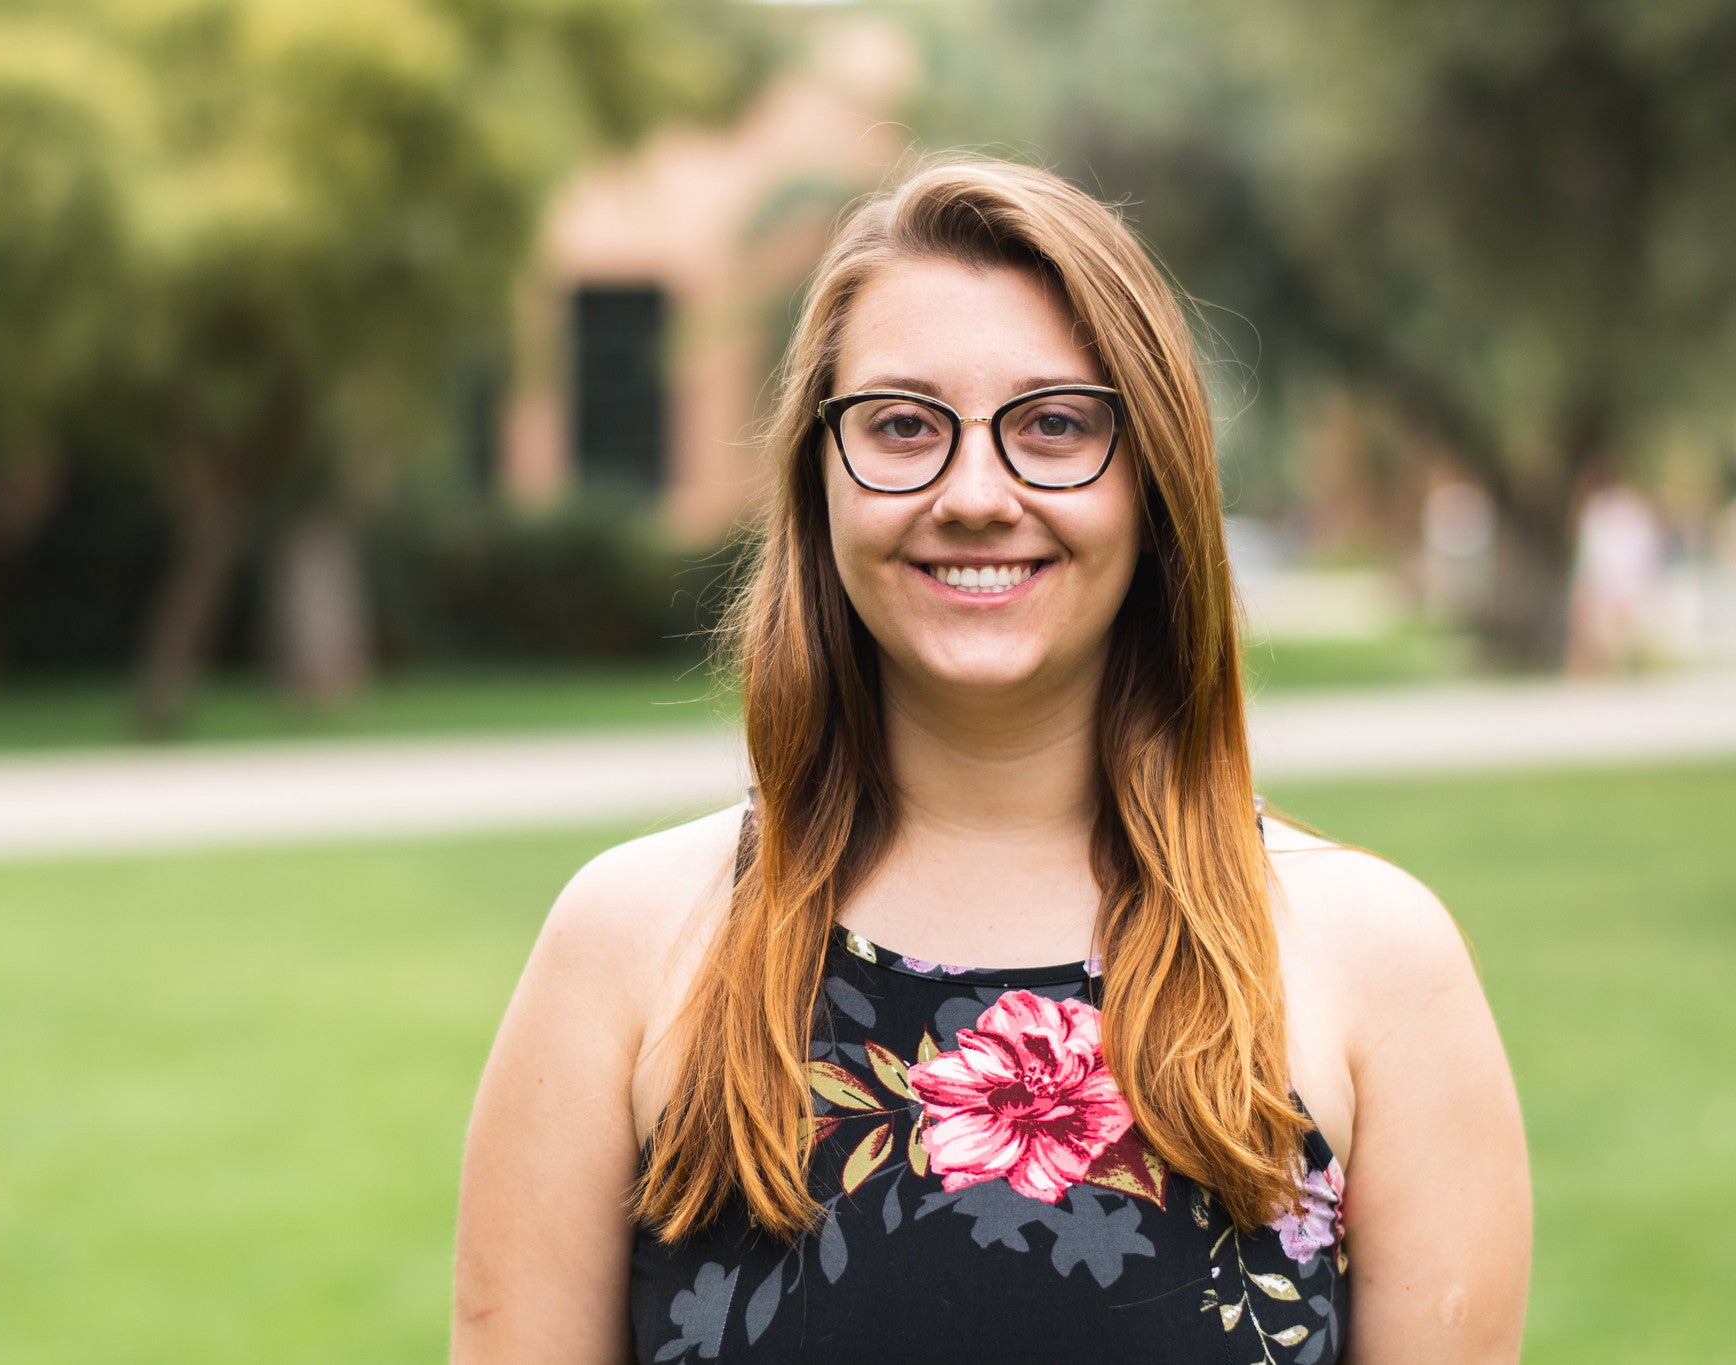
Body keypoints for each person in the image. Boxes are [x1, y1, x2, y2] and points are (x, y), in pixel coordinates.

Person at [453, 159, 1530, 1362]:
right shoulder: (629, 947)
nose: (974, 494)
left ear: (1153, 477)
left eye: (1054, 425)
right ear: (816, 479)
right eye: (902, 425)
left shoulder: (1374, 964)